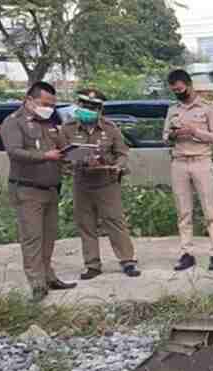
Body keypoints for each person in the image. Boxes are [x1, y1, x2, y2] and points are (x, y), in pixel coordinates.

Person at [0, 81, 77, 302]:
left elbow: (60, 149)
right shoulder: (13, 122)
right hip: (27, 189)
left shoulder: (49, 122)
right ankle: (37, 284)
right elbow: (14, 152)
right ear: (30, 100)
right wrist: (45, 156)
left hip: (51, 189)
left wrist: (74, 156)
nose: (50, 108)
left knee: (49, 238)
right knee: (32, 238)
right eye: (45, 103)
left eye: (52, 104)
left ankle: (48, 276)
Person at [60, 88, 141, 280]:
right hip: (82, 182)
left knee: (115, 221)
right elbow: (63, 155)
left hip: (107, 182)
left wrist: (118, 166)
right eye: (84, 105)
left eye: (93, 107)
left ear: (100, 109)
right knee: (86, 224)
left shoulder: (110, 128)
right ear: (78, 105)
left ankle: (127, 260)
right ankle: (92, 264)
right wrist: (75, 162)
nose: (88, 109)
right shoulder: (68, 128)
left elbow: (122, 153)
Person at [162, 69, 213, 271]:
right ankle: (186, 253)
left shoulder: (208, 108)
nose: (178, 93)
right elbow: (164, 137)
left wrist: (194, 131)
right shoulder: (173, 110)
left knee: (210, 209)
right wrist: (173, 135)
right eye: (174, 90)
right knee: (183, 211)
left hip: (202, 161)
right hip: (179, 162)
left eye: (180, 89)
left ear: (189, 85)